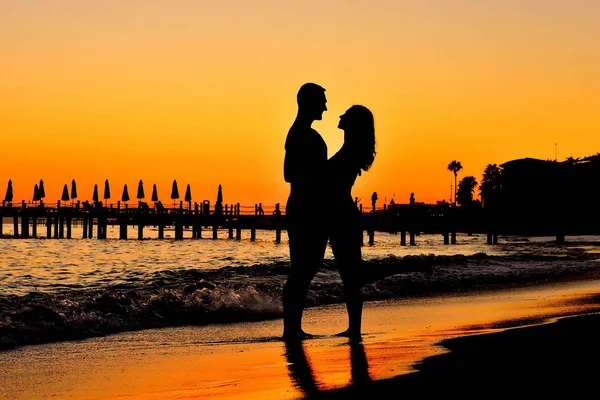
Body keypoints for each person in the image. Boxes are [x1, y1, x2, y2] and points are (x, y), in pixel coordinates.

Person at [282, 82, 329, 339]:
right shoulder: (299, 133)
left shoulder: (304, 132)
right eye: (322, 101)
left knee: (306, 268)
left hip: (311, 208)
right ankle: (291, 328)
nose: (326, 106)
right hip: (304, 208)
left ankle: (293, 327)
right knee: (301, 269)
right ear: (309, 102)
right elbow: (289, 173)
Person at [327, 105, 376, 339]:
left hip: (343, 217)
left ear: (353, 123)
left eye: (345, 115)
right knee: (350, 274)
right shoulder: (350, 149)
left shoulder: (351, 152)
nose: (339, 116)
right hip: (342, 215)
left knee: (350, 276)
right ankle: (353, 327)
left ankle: (354, 329)